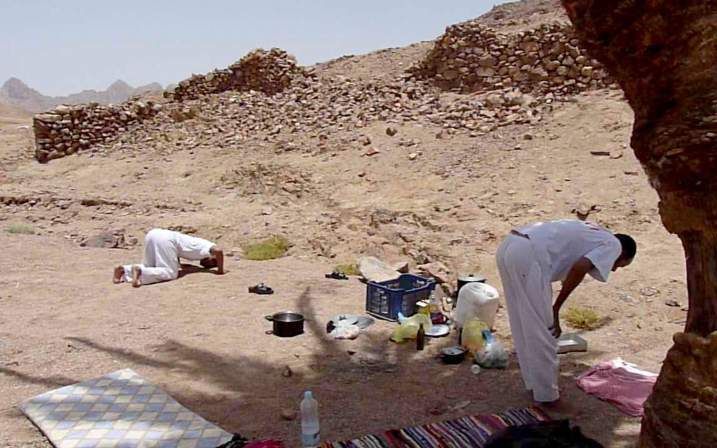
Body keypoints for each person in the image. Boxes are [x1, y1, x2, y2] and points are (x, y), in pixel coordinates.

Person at [495, 219, 636, 408]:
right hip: (529, 254)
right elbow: (580, 267)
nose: (613, 268)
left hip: (509, 245)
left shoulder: (595, 233)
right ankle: (547, 396)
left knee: (522, 321)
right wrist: (555, 308)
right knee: (544, 330)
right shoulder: (613, 245)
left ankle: (535, 385)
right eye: (619, 265)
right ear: (623, 254)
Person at [113, 228, 225, 287]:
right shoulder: (207, 247)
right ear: (212, 257)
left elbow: (175, 253)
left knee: (151, 266)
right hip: (166, 240)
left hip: (154, 234)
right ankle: (140, 272)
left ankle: (123, 269)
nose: (207, 266)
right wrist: (220, 270)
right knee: (170, 273)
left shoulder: (197, 247)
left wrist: (181, 265)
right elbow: (219, 251)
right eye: (211, 264)